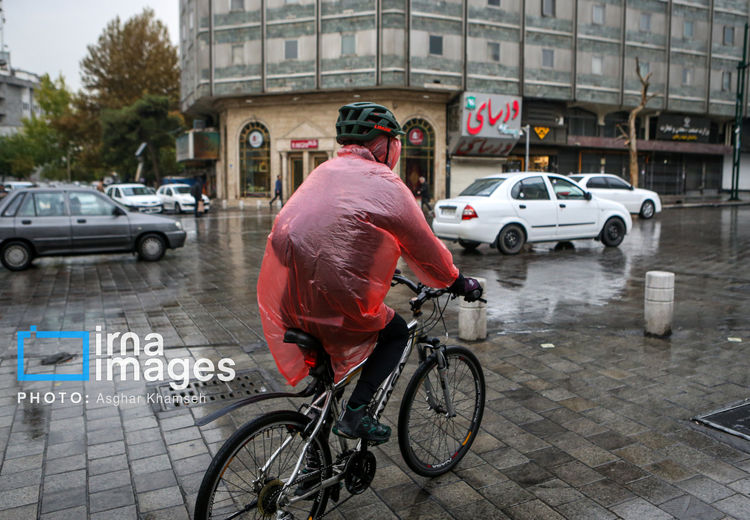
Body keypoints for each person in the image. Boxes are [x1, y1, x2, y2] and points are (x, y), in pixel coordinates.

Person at [257, 102, 481, 444]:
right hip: (338, 306)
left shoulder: (322, 172)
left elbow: (302, 232)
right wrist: (458, 281)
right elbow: (425, 247)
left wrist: (359, 271)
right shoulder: (386, 185)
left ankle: (311, 458)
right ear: (385, 143)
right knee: (396, 334)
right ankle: (357, 414)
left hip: (294, 303)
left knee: (327, 381)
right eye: (395, 141)